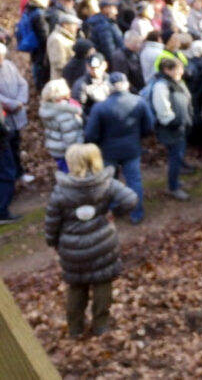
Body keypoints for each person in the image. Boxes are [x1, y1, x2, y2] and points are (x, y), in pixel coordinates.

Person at [44, 143, 137, 337]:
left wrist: (53, 242)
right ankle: (100, 325)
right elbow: (131, 199)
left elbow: (52, 222)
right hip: (103, 243)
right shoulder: (107, 183)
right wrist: (112, 213)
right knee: (103, 283)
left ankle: (75, 328)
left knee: (76, 287)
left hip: (72, 249)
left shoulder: (61, 191)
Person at [83, 73, 154, 225]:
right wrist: (137, 137)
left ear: (108, 87)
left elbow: (90, 134)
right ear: (126, 84)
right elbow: (149, 126)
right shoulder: (138, 102)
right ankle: (137, 213)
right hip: (132, 149)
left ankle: (114, 207)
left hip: (108, 152)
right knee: (134, 181)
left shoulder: (100, 107)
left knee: (109, 182)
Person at [151, 57, 194, 201]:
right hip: (172, 128)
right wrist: (174, 122)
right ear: (167, 70)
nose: (181, 72)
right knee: (176, 156)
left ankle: (174, 180)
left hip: (180, 126)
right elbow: (163, 110)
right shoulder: (161, 86)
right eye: (178, 69)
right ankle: (173, 187)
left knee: (177, 156)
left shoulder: (177, 82)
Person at [0, 43, 32, 183]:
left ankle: (19, 173)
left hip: (17, 113)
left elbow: (22, 83)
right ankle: (10, 179)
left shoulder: (9, 65)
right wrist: (12, 104)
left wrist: (20, 100)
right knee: (7, 148)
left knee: (16, 144)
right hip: (4, 117)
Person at [40, 79, 84, 173]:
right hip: (68, 152)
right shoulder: (64, 113)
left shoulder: (47, 108)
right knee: (73, 174)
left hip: (56, 148)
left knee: (63, 171)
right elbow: (69, 137)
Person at [47, 13, 81, 82]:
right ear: (65, 25)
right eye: (74, 24)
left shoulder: (68, 37)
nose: (77, 27)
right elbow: (58, 64)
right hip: (61, 80)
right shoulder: (56, 39)